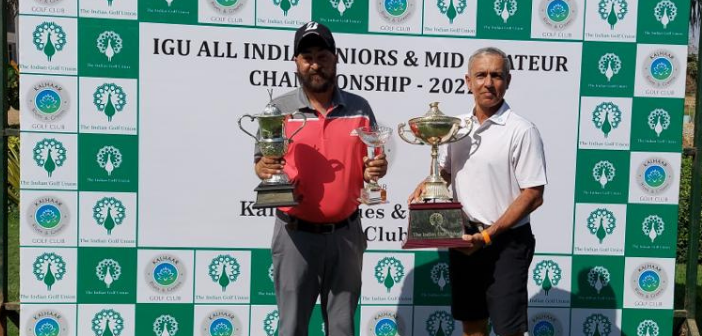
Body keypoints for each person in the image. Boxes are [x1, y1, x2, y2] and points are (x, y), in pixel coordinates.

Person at [254, 21, 387, 336]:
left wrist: (375, 170)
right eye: (307, 57)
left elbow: (372, 160)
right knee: (291, 328)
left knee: (341, 328)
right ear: (296, 62)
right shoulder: (278, 109)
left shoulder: (359, 107)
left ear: (336, 58)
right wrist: (264, 169)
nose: (315, 64)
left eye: (322, 56)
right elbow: (261, 162)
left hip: (346, 236)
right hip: (295, 235)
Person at [409, 47, 547, 336]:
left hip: (506, 242)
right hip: (465, 238)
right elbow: (445, 171)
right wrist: (429, 182)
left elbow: (533, 194)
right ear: (467, 81)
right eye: (481, 75)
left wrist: (487, 236)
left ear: (508, 81)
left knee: (510, 331)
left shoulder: (521, 130)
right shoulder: (455, 128)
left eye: (496, 75)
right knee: (472, 327)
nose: (488, 83)